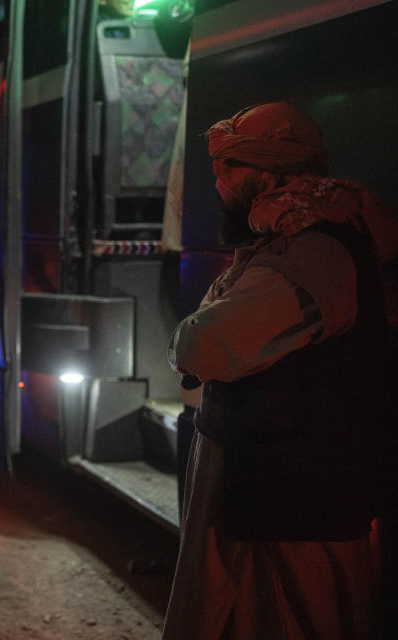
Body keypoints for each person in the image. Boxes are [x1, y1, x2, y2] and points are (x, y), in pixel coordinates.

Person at [162, 101, 398, 639]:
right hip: (278, 498)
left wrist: (184, 341)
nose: (217, 183)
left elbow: (203, 342)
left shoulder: (314, 250)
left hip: (292, 511)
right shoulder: (290, 241)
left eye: (229, 167)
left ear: (268, 174)